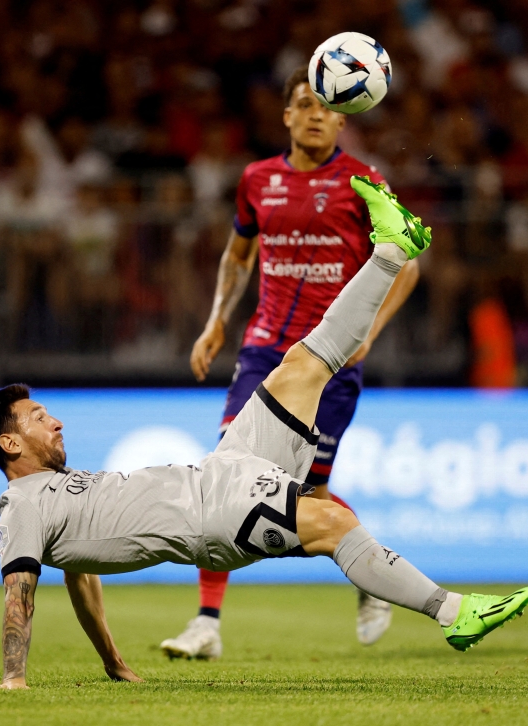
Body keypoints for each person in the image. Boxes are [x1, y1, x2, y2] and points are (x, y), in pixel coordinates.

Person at [0, 178, 528, 689]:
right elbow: (19, 594)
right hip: (211, 519)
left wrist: (112, 662)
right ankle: (453, 613)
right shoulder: (19, 506)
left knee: (301, 366)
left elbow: (82, 580)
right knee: (332, 520)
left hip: (219, 469)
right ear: (10, 443)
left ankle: (390, 250)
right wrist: (13, 678)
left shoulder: (62, 494)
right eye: (39, 417)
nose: (57, 419)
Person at [162, 65, 421, 659]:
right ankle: (206, 623)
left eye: (327, 107)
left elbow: (406, 263)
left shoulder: (364, 181)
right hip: (265, 350)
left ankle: (371, 569)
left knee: (311, 491)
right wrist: (215, 319)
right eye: (304, 104)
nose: (315, 114)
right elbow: (238, 254)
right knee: (225, 477)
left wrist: (370, 331)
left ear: (342, 117)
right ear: (287, 116)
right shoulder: (257, 179)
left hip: (330, 360)